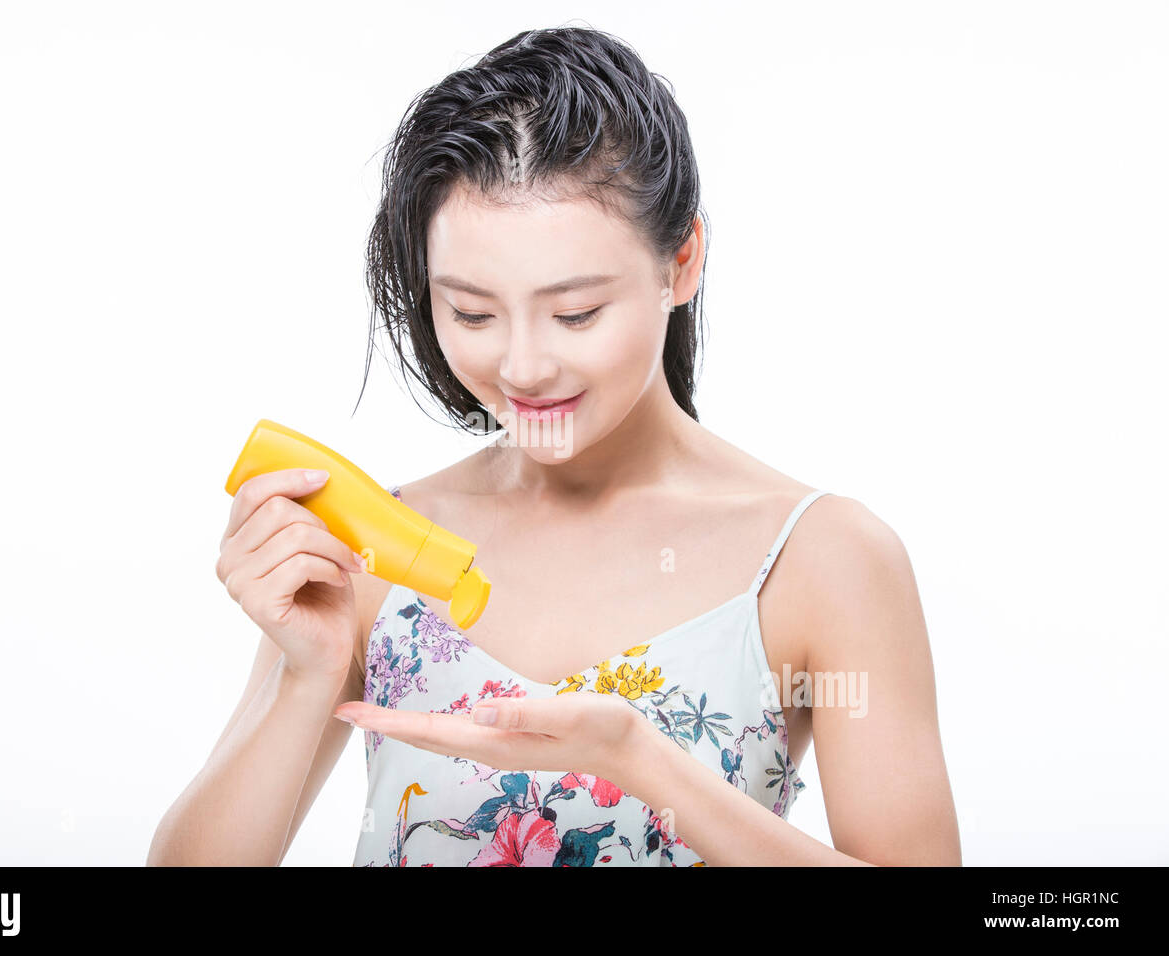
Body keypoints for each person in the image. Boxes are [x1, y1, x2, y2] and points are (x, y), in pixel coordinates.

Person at [148, 25, 960, 867]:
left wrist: (640, 765)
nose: (523, 366)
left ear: (682, 261)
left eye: (575, 313)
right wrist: (304, 676)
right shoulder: (378, 546)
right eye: (471, 312)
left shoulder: (824, 559)